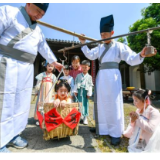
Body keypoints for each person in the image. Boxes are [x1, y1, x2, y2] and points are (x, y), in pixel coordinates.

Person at [78, 15, 157, 146]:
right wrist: (83, 42)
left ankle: (115, 133)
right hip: (101, 77)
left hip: (113, 77)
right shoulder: (100, 47)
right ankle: (102, 128)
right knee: (102, 102)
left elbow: (131, 59)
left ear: (112, 33)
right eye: (101, 34)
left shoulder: (120, 46)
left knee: (113, 104)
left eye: (105, 34)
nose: (103, 36)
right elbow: (90, 55)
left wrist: (141, 54)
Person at [0, 3, 63, 153]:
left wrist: (54, 62)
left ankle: (13, 134)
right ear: (28, 4)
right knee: (4, 103)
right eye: (38, 10)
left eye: (43, 13)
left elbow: (43, 47)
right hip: (7, 63)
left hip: (26, 69)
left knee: (21, 103)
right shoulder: (9, 12)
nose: (40, 15)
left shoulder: (38, 31)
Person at [34, 61, 57, 126]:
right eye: (49, 66)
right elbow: (38, 83)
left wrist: (54, 93)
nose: (50, 67)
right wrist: (36, 91)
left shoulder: (53, 76)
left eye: (52, 66)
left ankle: (47, 118)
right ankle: (39, 118)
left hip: (50, 92)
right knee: (41, 103)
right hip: (42, 92)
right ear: (46, 66)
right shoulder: (42, 74)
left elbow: (54, 85)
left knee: (49, 103)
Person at [74, 60, 94, 125]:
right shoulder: (78, 75)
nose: (84, 69)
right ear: (81, 67)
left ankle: (85, 117)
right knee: (79, 104)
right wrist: (75, 91)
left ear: (88, 68)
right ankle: (79, 117)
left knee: (85, 104)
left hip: (85, 92)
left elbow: (90, 85)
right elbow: (76, 83)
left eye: (85, 67)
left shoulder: (89, 77)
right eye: (83, 67)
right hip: (79, 92)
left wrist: (89, 93)